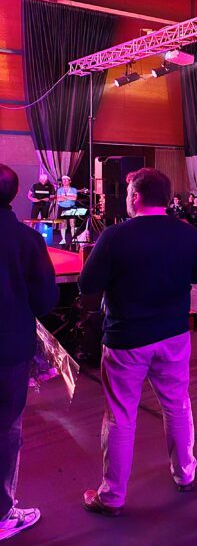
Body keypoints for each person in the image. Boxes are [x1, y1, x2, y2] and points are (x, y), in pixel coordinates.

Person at [78, 168, 197, 515]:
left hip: (127, 339)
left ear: (135, 196)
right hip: (174, 334)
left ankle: (112, 496)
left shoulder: (115, 236)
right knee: (177, 405)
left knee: (120, 416)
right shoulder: (188, 233)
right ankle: (185, 474)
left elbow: (87, 285)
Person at [0, 165, 58, 540]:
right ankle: (2, 514)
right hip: (8, 348)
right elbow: (45, 300)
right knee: (6, 430)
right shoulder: (27, 240)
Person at [56, 175, 78, 249]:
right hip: (62, 208)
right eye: (63, 180)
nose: (64, 181)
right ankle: (63, 239)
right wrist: (69, 197)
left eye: (66, 180)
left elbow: (74, 198)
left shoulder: (74, 189)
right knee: (63, 224)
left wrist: (64, 197)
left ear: (70, 181)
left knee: (72, 224)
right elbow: (59, 199)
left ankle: (73, 238)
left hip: (71, 208)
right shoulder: (59, 190)